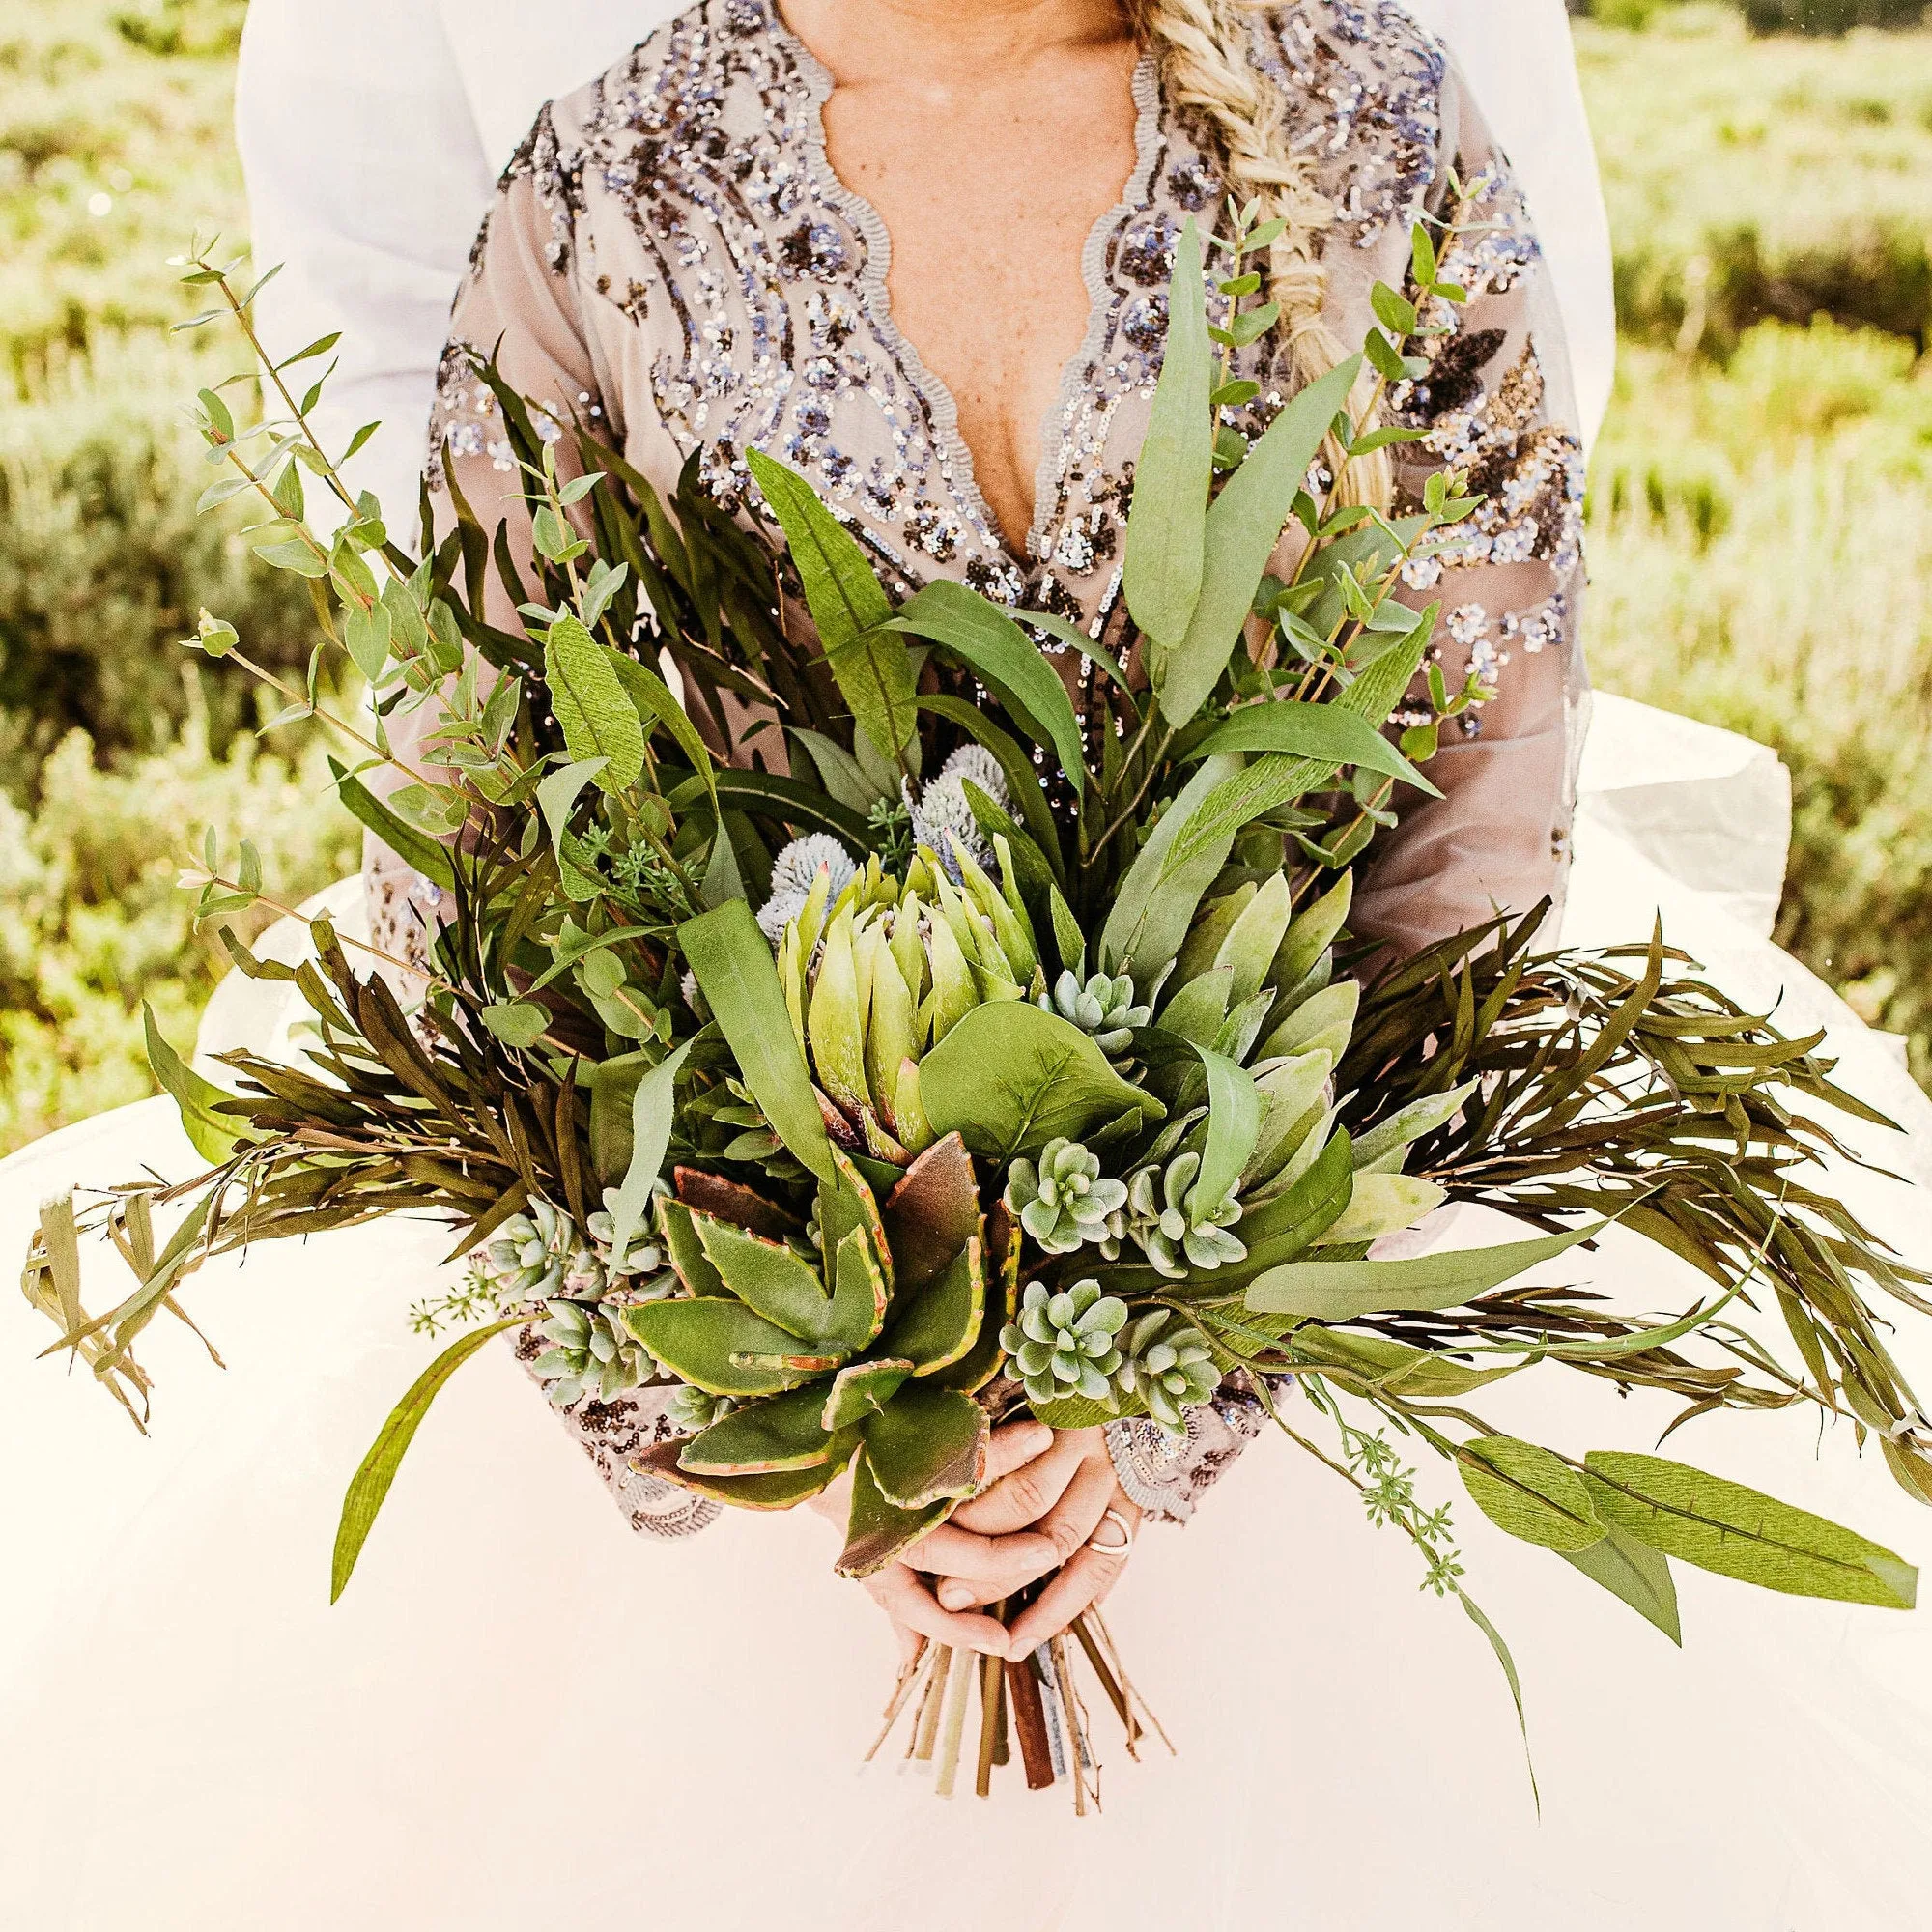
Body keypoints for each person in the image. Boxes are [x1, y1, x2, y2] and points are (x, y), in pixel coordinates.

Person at [2, 5, 1928, 1927]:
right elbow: (484, 808)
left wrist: (1182, 1358)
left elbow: (1471, 806)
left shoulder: (1376, 120)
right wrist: (781, 1392)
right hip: (758, 1314)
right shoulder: (606, 171)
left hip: (1315, 1299)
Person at [236, 0, 1616, 531]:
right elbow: (376, 352)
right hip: (683, 954)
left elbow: (1509, 388)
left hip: (1317, 973)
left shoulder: (1387, 78)